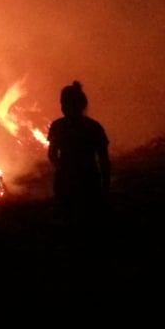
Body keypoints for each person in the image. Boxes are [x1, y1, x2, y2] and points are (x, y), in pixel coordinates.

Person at [46, 80, 111, 230]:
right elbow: (104, 159)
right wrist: (105, 186)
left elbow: (52, 154)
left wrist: (61, 168)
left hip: (66, 182)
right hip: (89, 180)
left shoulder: (58, 126)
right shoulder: (94, 127)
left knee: (67, 222)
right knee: (89, 223)